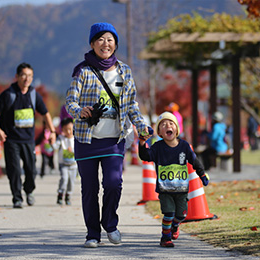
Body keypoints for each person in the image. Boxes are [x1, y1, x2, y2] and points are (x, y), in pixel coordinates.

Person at [65, 22, 150, 248]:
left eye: (110, 39)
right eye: (101, 39)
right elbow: (70, 101)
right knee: (90, 189)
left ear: (115, 44)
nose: (106, 44)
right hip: (86, 140)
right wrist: (79, 110)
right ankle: (93, 233)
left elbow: (131, 104)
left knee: (114, 184)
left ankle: (110, 224)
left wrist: (141, 126)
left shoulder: (124, 71)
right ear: (92, 43)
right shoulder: (82, 71)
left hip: (114, 140)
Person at [138, 112, 209, 247]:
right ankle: (165, 237)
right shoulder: (158, 147)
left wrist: (203, 175)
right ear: (159, 132)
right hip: (165, 190)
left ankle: (175, 226)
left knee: (182, 214)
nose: (167, 126)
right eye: (163, 125)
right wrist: (142, 143)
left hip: (181, 189)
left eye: (171, 123)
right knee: (169, 213)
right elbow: (145, 156)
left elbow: (195, 161)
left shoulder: (184, 146)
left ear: (176, 128)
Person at [0, 62, 56, 209]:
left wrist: (52, 131)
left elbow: (45, 113)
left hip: (28, 140)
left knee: (31, 169)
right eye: (24, 75)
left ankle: (29, 191)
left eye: (30, 76)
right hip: (11, 139)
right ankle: (17, 197)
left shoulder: (34, 95)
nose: (27, 79)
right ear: (17, 77)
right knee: (13, 170)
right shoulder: (8, 94)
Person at [52, 117, 77, 205]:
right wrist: (52, 141)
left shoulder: (76, 139)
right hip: (63, 164)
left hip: (73, 165)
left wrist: (73, 151)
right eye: (66, 130)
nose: (68, 132)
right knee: (64, 179)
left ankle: (68, 196)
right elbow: (55, 147)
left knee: (71, 181)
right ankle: (60, 194)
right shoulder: (61, 138)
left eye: (70, 129)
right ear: (62, 129)